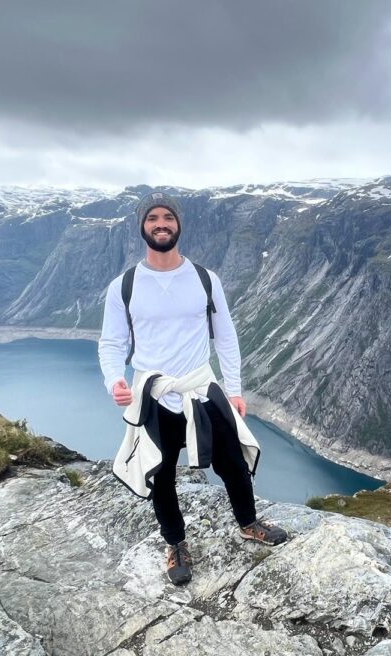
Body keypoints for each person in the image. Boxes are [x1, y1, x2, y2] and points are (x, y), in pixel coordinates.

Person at [98, 191, 287, 585]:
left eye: (168, 217)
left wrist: (234, 390)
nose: (161, 224)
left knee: (232, 461)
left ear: (179, 225)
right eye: (153, 219)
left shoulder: (204, 279)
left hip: (201, 388)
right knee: (162, 474)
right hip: (155, 394)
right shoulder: (125, 285)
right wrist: (114, 378)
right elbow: (112, 341)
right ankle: (176, 544)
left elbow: (226, 337)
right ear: (142, 227)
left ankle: (249, 523)